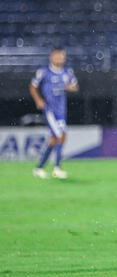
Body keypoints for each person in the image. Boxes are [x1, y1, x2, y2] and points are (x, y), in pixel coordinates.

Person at [30, 48, 78, 179]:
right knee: (61, 135)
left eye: (62, 56)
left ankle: (39, 167)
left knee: (53, 139)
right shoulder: (44, 72)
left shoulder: (68, 72)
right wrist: (38, 100)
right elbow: (33, 86)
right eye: (58, 56)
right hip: (49, 110)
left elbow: (75, 86)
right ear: (52, 57)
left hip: (61, 111)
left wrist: (69, 87)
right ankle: (57, 168)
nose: (61, 58)